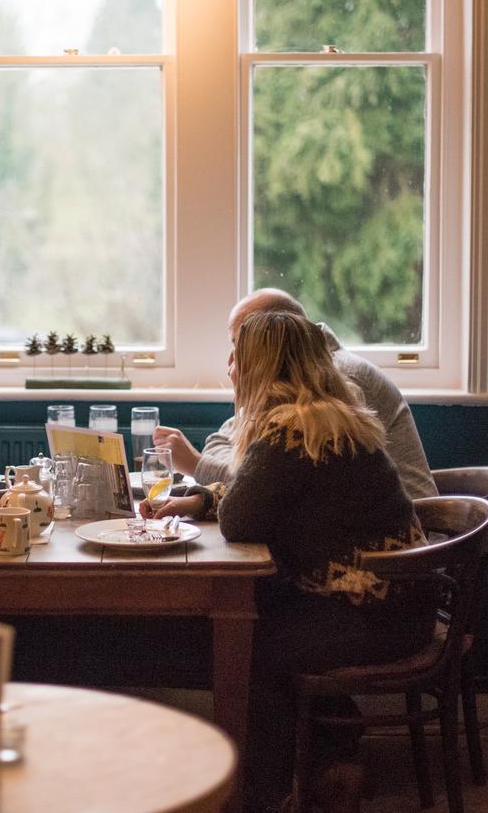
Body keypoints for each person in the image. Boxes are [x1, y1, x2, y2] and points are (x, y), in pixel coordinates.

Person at [143, 310, 435, 813]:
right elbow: (259, 499)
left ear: (263, 366)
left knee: (245, 645)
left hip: (373, 614)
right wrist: (204, 498)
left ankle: (261, 796)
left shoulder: (288, 429)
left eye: (238, 357)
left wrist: (213, 498)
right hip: (398, 602)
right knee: (261, 621)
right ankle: (331, 764)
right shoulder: (328, 414)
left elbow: (240, 520)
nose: (230, 366)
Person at [154, 288, 437, 500]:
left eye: (240, 345)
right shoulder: (296, 380)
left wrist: (198, 466)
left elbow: (262, 485)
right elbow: (225, 444)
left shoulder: (334, 380)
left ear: (272, 336)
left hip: (398, 558)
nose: (232, 361)